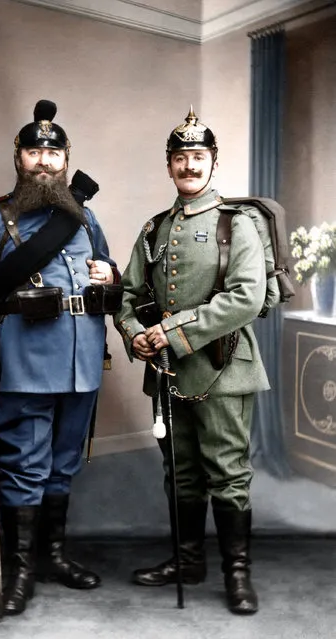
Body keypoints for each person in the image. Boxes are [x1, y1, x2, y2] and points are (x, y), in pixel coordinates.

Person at [0, 99, 120, 616]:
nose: (44, 161)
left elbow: (104, 271)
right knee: (24, 469)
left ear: (66, 159)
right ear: (18, 157)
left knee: (63, 466)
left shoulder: (85, 217)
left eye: (53, 153)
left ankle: (52, 557)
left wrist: (112, 276)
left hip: (82, 365)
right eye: (34, 151)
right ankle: (18, 572)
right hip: (25, 365)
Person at [114, 107, 272, 615]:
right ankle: (187, 563)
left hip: (223, 370)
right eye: (180, 158)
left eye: (198, 156)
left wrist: (171, 332)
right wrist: (136, 334)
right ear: (168, 166)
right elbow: (128, 293)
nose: (189, 166)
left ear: (213, 162)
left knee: (227, 472)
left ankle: (237, 574)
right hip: (166, 373)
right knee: (179, 473)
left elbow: (247, 297)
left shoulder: (237, 223)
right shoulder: (154, 228)